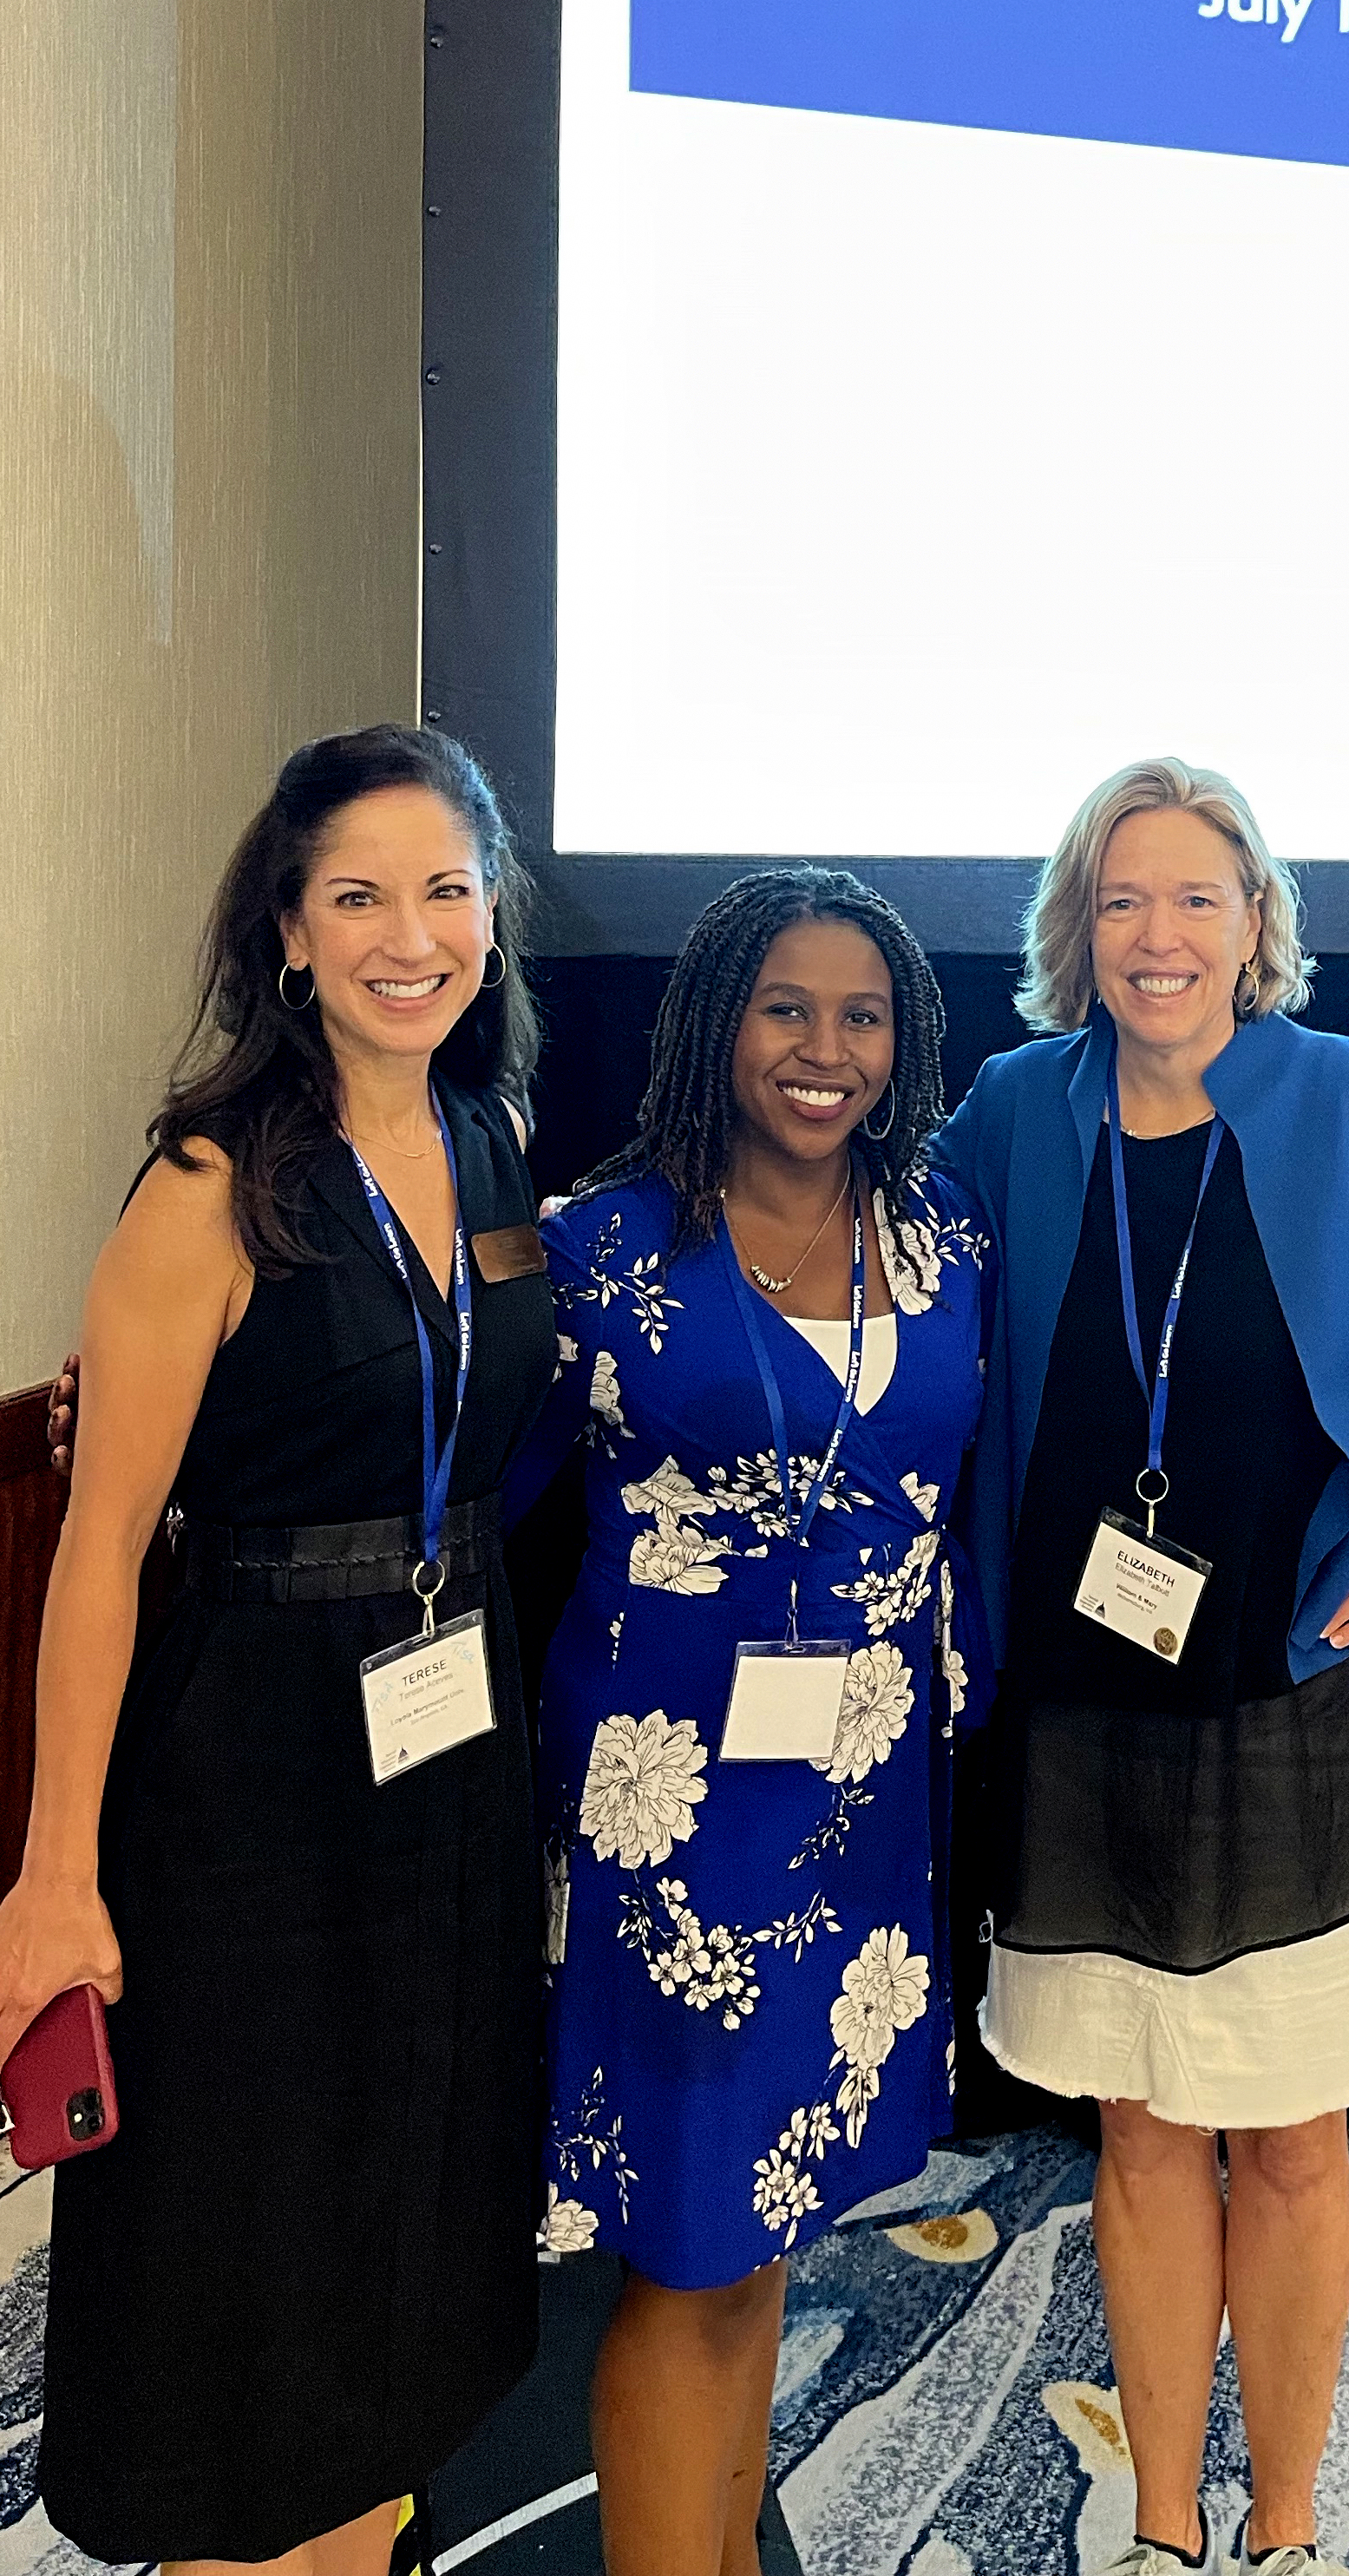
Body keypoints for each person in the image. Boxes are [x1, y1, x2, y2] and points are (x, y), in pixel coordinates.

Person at [936, 758, 1349, 2576]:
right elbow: (890, 1295)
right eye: (1122, 900)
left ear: (1257, 929)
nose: (1158, 935)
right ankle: (1168, 2528)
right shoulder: (1011, 1112)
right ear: (1077, 933)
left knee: (1296, 2145)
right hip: (1089, 1708)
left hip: (1302, 1703)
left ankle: (1291, 2530)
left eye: (1196, 898)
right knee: (1143, 2146)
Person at [0, 725, 554, 2576]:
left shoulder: (490, 1137)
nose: (410, 933)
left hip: (450, 1755)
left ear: (491, 917)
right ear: (287, 935)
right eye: (358, 895)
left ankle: (361, 2528)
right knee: (256, 2253)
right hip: (255, 1787)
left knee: (407, 2224)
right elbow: (99, 1554)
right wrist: (60, 1878)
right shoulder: (214, 1182)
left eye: (445, 890)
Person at [506, 867, 991, 2576]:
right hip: (670, 1810)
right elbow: (453, 1475)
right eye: (786, 1006)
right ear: (720, 1024)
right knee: (687, 2244)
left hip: (861, 1805)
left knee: (768, 2216)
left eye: (861, 1015)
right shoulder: (604, 1246)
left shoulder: (943, 1243)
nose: (823, 1049)